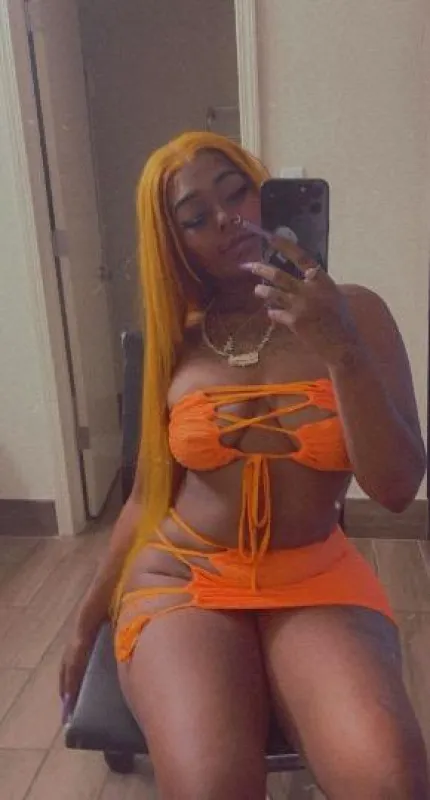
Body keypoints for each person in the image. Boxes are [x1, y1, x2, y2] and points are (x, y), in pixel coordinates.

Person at [60, 131, 429, 799]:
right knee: (212, 788)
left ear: (267, 192)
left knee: (391, 783)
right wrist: (87, 621)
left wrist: (339, 346)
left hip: (315, 574)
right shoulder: (178, 338)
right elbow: (146, 498)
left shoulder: (356, 311)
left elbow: (398, 489)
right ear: (176, 242)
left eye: (237, 193)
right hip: (183, 577)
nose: (227, 219)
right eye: (196, 217)